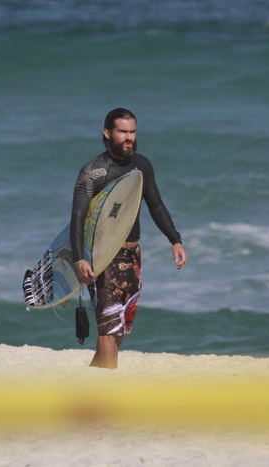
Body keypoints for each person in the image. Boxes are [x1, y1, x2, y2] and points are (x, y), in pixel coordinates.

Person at [70, 108, 187, 369]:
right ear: (107, 133)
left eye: (132, 132)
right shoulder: (93, 172)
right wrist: (79, 258)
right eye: (123, 132)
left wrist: (175, 239)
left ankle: (95, 375)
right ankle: (107, 392)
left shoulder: (142, 165)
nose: (129, 138)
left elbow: (156, 206)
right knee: (108, 328)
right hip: (102, 256)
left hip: (132, 256)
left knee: (120, 327)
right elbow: (77, 218)